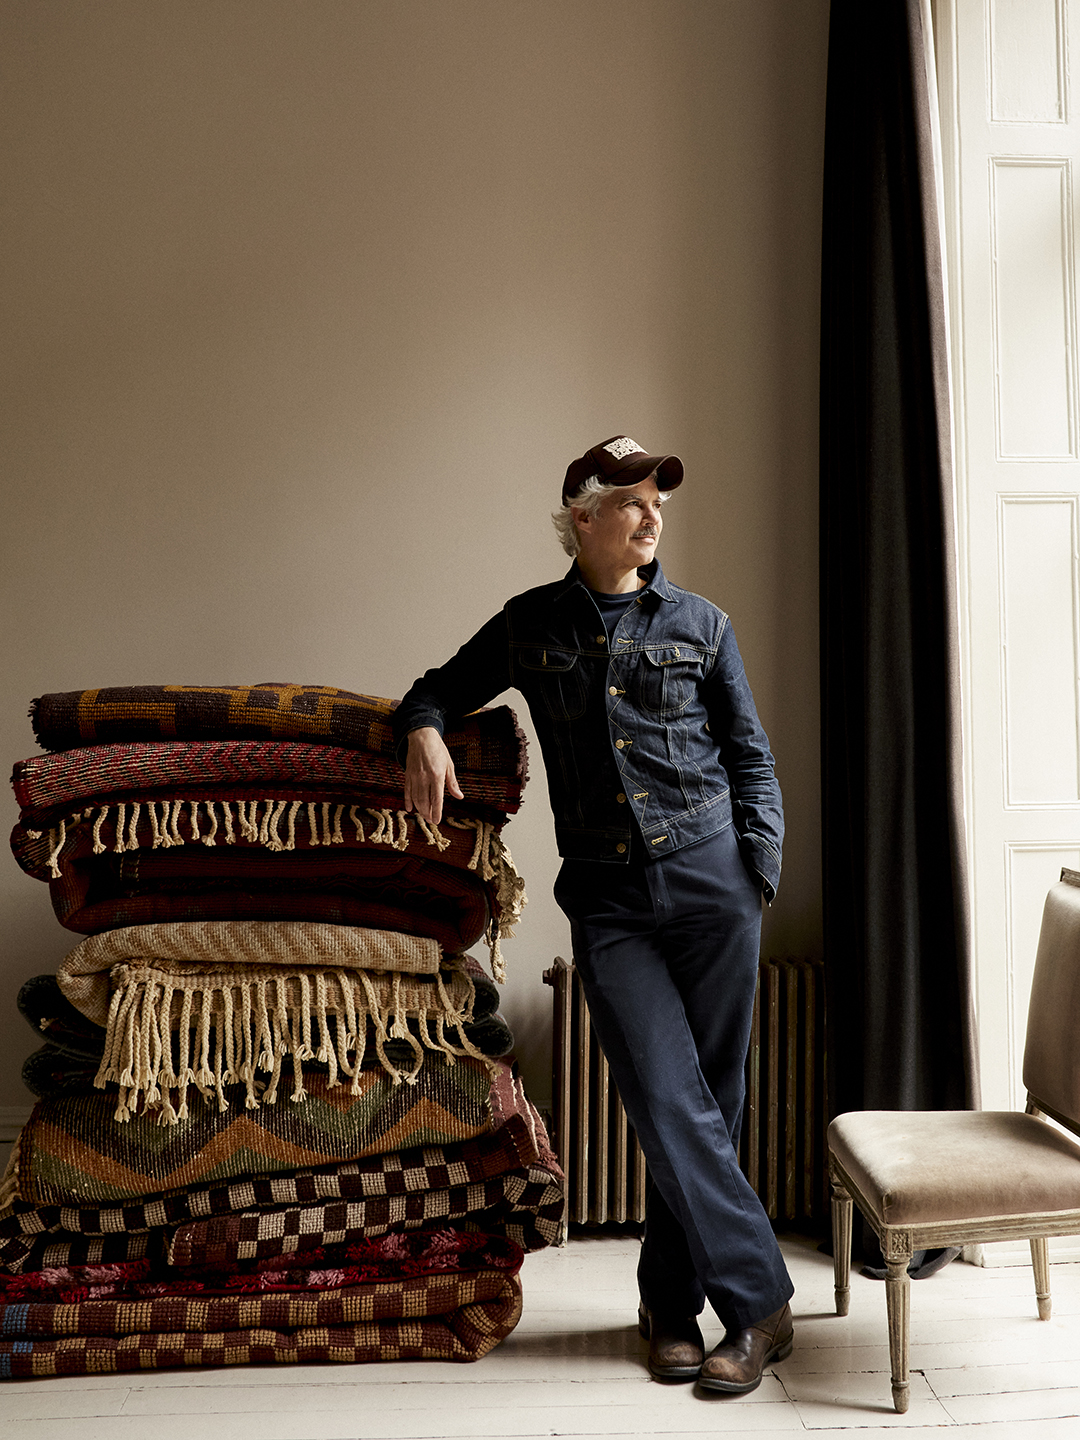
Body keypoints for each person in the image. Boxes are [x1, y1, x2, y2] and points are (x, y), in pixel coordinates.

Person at [393, 436, 794, 1394]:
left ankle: (669, 1306)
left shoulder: (701, 622)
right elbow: (434, 688)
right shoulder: (531, 624)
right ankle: (762, 1305)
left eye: (658, 502)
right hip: (611, 901)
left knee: (713, 1104)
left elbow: (750, 756)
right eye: (631, 501)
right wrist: (424, 731)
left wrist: (758, 870)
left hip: (714, 884)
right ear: (581, 515)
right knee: (665, 1097)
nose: (651, 516)